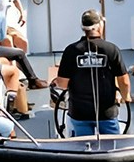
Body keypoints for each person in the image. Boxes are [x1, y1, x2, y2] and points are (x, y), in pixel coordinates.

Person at [54, 9, 129, 137]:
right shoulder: (112, 49)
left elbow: (62, 84)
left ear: (83, 27)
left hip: (79, 114)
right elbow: (124, 81)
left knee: (82, 147)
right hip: (107, 114)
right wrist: (126, 96)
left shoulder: (71, 50)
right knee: (113, 145)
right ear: (100, 25)